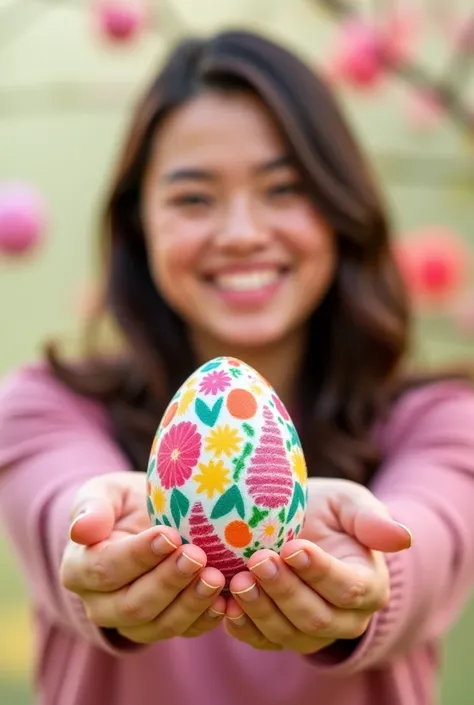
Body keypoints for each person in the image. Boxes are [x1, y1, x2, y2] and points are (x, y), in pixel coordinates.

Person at [0, 29, 473, 705]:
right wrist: (102, 544)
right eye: (194, 198)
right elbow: (62, 516)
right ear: (141, 226)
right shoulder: (42, 406)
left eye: (284, 190)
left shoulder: (440, 420)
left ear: (341, 210)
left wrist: (371, 573)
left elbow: (427, 542)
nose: (243, 232)